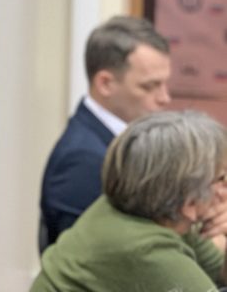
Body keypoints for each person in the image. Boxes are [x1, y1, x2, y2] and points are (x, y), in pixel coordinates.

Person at [31, 110, 227, 291]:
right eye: (221, 179)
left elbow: (218, 271)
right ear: (189, 201)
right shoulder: (146, 250)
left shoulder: (153, 212)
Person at [40, 16, 171, 247]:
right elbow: (95, 257)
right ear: (105, 84)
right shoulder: (82, 160)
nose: (164, 98)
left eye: (164, 84)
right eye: (149, 86)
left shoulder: (121, 142)